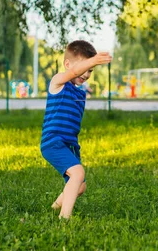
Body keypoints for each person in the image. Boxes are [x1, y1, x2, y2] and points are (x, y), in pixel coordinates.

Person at [40, 40, 112, 219]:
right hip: (53, 141)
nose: (86, 74)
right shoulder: (58, 82)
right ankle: (64, 219)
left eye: (90, 71)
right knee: (78, 173)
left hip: (70, 144)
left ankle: (54, 209)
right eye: (84, 68)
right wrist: (94, 60)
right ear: (67, 64)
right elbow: (73, 72)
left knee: (80, 186)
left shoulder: (80, 93)